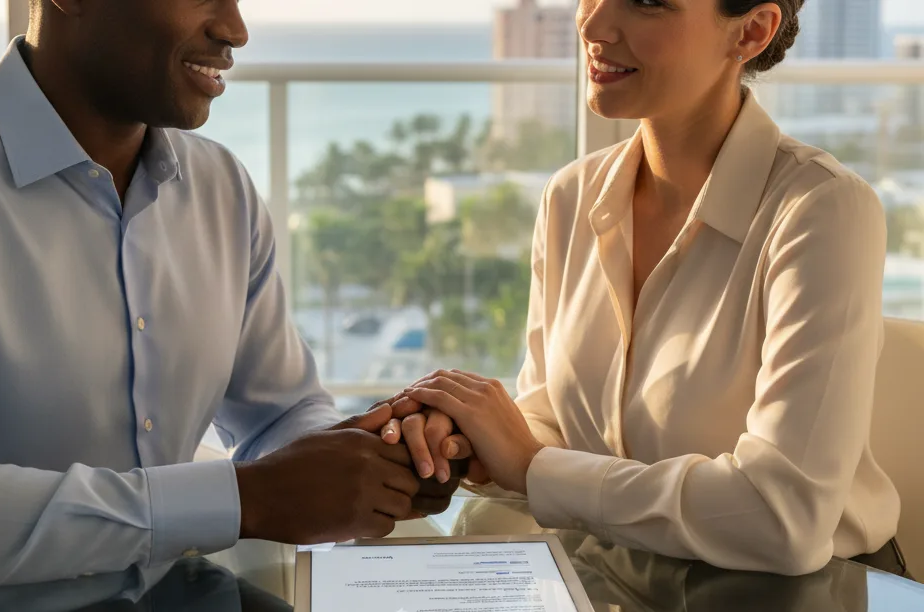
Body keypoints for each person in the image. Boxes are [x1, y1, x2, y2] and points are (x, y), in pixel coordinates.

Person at [0, 0, 460, 595]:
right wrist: (245, 499)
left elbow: (280, 413)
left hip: (182, 593)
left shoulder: (223, 190)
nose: (234, 30)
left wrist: (376, 455)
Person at [385, 0, 910, 578]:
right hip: (619, 580)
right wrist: (474, 443)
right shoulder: (570, 197)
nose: (591, 24)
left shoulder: (821, 210)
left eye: (645, 2)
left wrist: (532, 466)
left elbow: (785, 517)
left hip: (805, 593)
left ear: (752, 31)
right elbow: (554, 425)